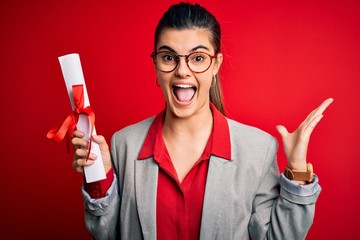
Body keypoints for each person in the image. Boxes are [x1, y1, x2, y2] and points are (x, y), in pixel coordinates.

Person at [71, 2, 333, 240]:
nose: (182, 70)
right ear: (156, 65)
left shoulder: (258, 149)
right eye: (169, 57)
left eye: (198, 58)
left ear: (216, 64)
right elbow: (105, 234)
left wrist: (298, 169)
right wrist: (98, 175)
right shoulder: (124, 144)